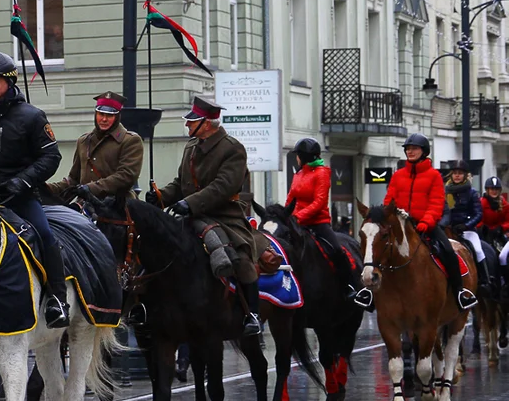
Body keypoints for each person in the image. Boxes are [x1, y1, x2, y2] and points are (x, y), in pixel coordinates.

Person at [0, 51, 69, 328]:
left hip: (20, 197)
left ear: (9, 81)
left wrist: (22, 181)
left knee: (45, 236)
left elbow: (51, 157)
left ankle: (57, 300)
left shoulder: (32, 116)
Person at [158, 96, 261, 336]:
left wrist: (189, 203)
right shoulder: (191, 147)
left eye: (191, 121)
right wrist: (162, 196)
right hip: (191, 214)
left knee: (242, 257)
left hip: (224, 216)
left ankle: (252, 315)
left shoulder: (232, 148)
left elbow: (224, 186)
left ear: (207, 123)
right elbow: (180, 183)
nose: (187, 125)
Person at [359, 134, 475, 310]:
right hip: (400, 226)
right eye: (408, 149)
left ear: (424, 152)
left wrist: (426, 222)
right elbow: (389, 202)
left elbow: (436, 204)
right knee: (376, 249)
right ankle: (369, 292)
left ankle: (459, 292)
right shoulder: (398, 176)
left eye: (414, 148)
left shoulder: (434, 176)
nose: (410, 151)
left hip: (425, 226)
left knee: (448, 252)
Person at [285, 138, 365, 307]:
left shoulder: (322, 172)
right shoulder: (298, 174)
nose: (297, 158)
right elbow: (291, 198)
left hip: (317, 222)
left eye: (298, 155)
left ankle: (350, 287)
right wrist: (286, 216)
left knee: (337, 250)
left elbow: (319, 202)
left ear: (303, 156)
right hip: (296, 222)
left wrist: (298, 217)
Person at [47, 91, 144, 203]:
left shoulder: (130, 140)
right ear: (95, 114)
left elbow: (126, 176)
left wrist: (91, 188)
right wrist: (47, 188)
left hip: (117, 208)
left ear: (117, 117)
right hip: (86, 205)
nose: (104, 119)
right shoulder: (83, 141)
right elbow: (74, 179)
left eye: (109, 115)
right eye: (101, 114)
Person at [443, 160, 491, 295]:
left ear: (465, 175)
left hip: (467, 230)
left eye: (460, 173)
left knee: (478, 250)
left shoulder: (472, 193)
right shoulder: (444, 191)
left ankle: (485, 281)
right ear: (451, 175)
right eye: (455, 173)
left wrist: (466, 225)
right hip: (448, 229)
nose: (457, 176)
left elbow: (478, 214)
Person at [479, 176, 509, 244]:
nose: (494, 191)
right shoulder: (481, 203)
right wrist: (484, 228)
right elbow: (479, 220)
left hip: (500, 234)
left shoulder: (505, 204)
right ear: (487, 190)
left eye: (496, 189)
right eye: (492, 189)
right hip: (485, 235)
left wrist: (502, 228)